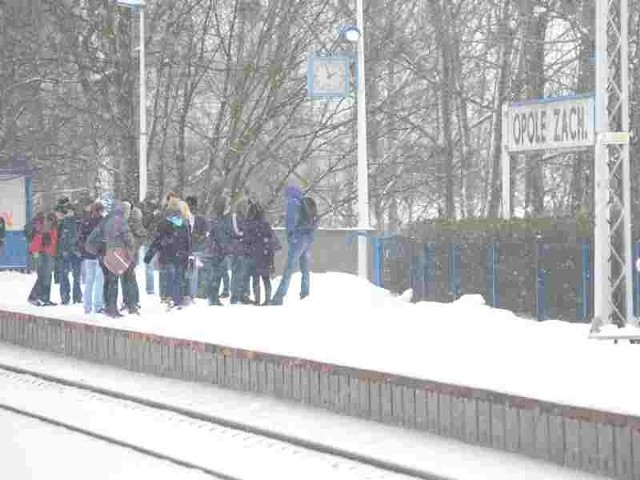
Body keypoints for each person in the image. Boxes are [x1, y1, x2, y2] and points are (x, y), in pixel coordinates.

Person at [270, 184, 319, 305]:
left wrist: (292, 236)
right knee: (305, 269)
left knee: (288, 269)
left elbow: (290, 221)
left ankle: (278, 298)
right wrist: (309, 237)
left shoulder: (293, 202)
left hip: (298, 239)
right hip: (307, 239)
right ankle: (305, 294)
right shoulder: (304, 203)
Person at [87, 198, 134, 318]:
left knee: (108, 281)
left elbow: (91, 240)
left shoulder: (104, 221)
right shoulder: (120, 221)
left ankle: (108, 305)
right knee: (113, 281)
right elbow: (129, 238)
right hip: (116, 254)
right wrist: (130, 248)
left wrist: (98, 251)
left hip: (104, 255)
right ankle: (113, 309)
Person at [144, 198, 191, 309]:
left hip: (167, 254)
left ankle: (168, 298)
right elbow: (188, 241)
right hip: (180, 255)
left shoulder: (164, 223)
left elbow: (158, 240)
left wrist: (149, 255)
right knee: (178, 278)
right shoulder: (184, 223)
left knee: (169, 277)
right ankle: (177, 300)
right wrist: (188, 254)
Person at [244, 201, 281, 306]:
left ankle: (257, 300)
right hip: (266, 255)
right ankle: (268, 299)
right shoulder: (265, 225)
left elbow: (246, 240)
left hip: (254, 255)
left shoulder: (249, 225)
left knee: (255, 279)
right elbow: (272, 241)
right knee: (266, 278)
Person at [120, 201, 146, 314]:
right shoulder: (124, 221)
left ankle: (133, 302)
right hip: (124, 254)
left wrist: (134, 246)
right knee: (126, 278)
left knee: (129, 278)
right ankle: (128, 301)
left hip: (130, 254)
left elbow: (142, 235)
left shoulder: (133, 222)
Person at [78, 202, 105, 314]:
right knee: (99, 281)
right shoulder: (103, 222)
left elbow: (80, 237)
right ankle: (98, 305)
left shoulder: (85, 221)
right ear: (100, 210)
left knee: (89, 281)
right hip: (100, 255)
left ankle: (87, 306)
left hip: (88, 255)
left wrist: (84, 250)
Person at [202, 195, 229, 306]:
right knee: (216, 276)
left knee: (213, 275)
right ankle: (213, 298)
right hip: (218, 252)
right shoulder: (220, 221)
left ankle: (212, 297)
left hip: (212, 250)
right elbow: (221, 238)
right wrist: (226, 248)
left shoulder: (213, 219)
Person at [28, 211, 59, 306]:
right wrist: (36, 253)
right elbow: (41, 240)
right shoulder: (47, 226)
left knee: (46, 277)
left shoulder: (51, 226)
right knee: (43, 277)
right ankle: (34, 297)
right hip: (44, 253)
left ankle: (44, 298)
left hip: (46, 253)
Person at [55, 203, 82, 305]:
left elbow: (80, 237)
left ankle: (76, 297)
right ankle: (66, 297)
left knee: (75, 276)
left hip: (73, 253)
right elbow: (58, 238)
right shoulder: (63, 223)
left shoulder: (77, 222)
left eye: (70, 210)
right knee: (65, 276)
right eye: (67, 211)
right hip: (66, 253)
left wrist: (77, 249)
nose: (68, 213)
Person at [186, 196, 209, 299]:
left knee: (199, 272)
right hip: (188, 249)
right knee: (190, 273)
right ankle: (190, 292)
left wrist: (198, 238)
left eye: (190, 205)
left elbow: (206, 234)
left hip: (198, 249)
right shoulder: (183, 219)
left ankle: (200, 293)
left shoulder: (202, 219)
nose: (189, 208)